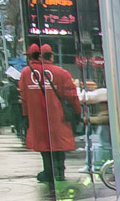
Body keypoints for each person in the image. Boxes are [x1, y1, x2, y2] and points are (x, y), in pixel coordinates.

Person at [19, 42, 80, 185]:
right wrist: (77, 111)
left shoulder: (25, 73)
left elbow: (24, 97)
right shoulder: (61, 72)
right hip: (57, 115)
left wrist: (26, 115)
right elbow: (71, 95)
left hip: (37, 117)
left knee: (43, 145)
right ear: (50, 55)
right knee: (58, 143)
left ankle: (48, 170)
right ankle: (59, 170)